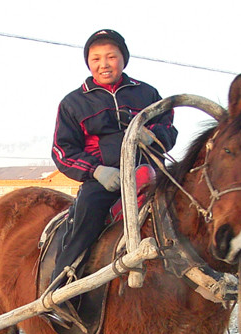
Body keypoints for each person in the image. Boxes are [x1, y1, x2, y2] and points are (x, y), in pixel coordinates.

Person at [50, 28, 178, 286]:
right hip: (104, 181)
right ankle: (62, 281)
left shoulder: (147, 94)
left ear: (123, 59)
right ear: (88, 62)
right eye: (96, 58)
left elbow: (168, 127)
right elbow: (62, 150)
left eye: (111, 57)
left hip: (151, 175)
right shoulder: (74, 103)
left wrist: (152, 136)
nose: (104, 64)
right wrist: (96, 171)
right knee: (86, 215)